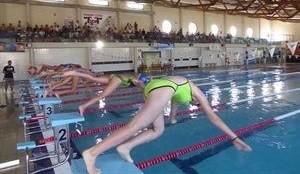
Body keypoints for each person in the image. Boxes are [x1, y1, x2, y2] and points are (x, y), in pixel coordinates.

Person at [81, 76, 252, 174]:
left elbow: (174, 100)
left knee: (158, 130)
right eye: (196, 104)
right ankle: (92, 153)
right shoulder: (199, 94)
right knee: (134, 126)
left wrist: (172, 118)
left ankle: (126, 147)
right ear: (200, 98)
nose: (195, 106)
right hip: (162, 88)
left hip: (155, 88)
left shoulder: (184, 90)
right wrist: (234, 137)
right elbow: (214, 118)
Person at [63, 71, 150, 116]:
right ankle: (82, 106)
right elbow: (145, 88)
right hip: (117, 80)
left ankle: (75, 73)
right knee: (102, 95)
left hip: (114, 76)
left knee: (94, 79)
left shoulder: (133, 78)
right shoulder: (139, 81)